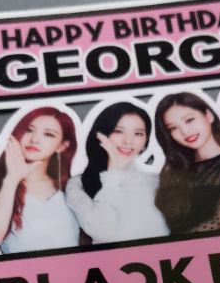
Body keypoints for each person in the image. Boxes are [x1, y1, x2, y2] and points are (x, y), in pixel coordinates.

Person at [0, 106, 79, 253]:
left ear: (62, 146)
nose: (35, 139)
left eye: (48, 134)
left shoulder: (74, 187)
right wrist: (12, 179)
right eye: (29, 130)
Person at [65, 102, 169, 244]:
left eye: (138, 133)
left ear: (145, 142)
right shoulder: (77, 186)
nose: (128, 141)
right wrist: (113, 173)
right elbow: (104, 232)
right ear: (101, 135)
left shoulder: (156, 182)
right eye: (118, 131)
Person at [154, 92, 220, 236]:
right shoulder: (175, 171)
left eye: (189, 120)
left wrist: (173, 244)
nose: (185, 131)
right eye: (173, 128)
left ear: (208, 116)